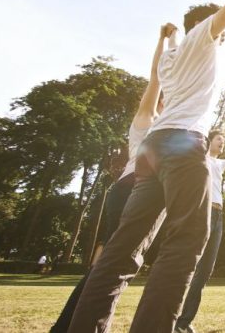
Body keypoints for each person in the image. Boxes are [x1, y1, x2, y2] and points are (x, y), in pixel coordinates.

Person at [67, 0, 225, 333]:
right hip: (183, 146)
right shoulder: (205, 36)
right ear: (210, 25)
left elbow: (159, 62)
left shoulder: (170, 56)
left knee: (124, 246)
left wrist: (164, 37)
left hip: (151, 150)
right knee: (187, 241)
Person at [51, 23, 176, 333]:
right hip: (131, 188)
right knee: (114, 266)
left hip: (137, 192)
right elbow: (156, 77)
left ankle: (69, 326)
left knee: (106, 267)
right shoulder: (147, 120)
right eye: (165, 96)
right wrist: (165, 40)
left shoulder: (173, 126)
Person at [174, 131, 225, 333]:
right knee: (188, 265)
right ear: (209, 141)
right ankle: (170, 315)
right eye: (219, 139)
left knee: (205, 271)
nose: (223, 142)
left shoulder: (219, 164)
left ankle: (183, 323)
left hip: (219, 216)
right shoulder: (200, 159)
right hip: (202, 211)